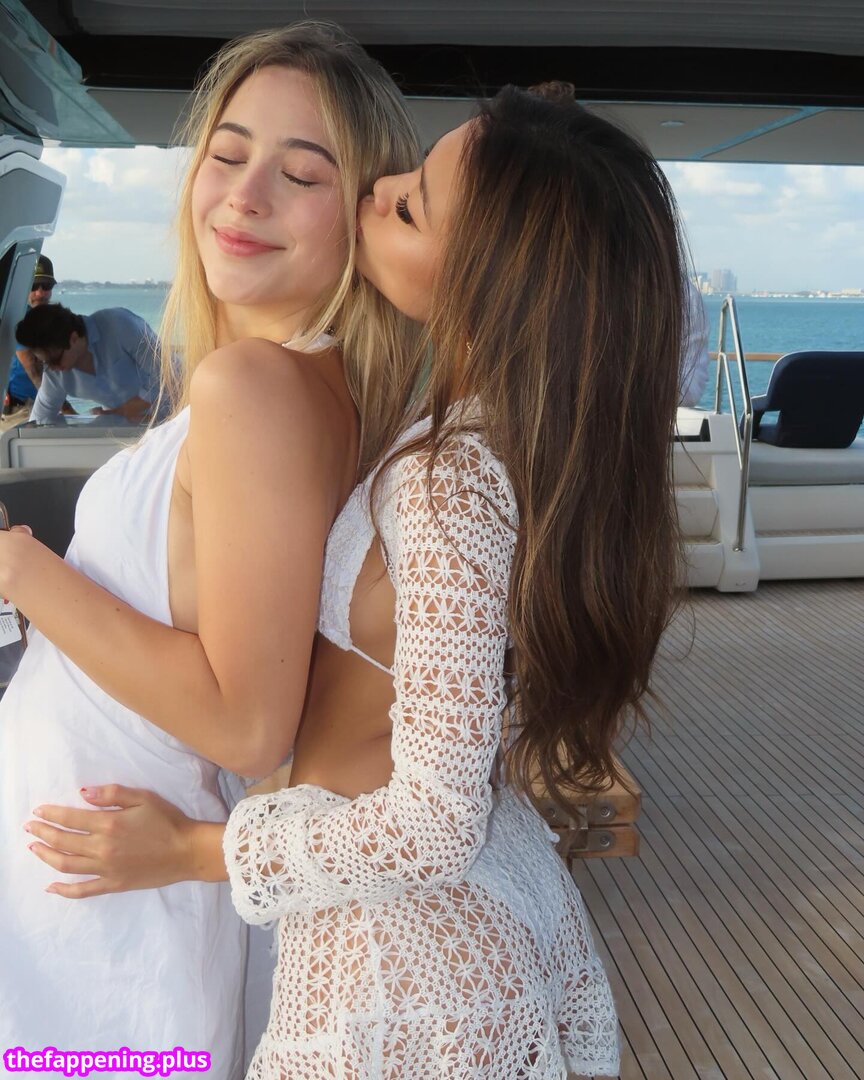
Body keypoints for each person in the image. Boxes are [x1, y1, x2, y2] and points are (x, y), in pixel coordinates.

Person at [28, 83, 686, 1077]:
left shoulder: (451, 479)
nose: (379, 190)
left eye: (409, 205)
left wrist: (195, 851)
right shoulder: (471, 444)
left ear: (489, 285)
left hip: (399, 968)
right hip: (418, 941)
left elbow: (434, 819)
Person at [0, 22, 418, 1072]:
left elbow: (247, 723)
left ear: (363, 215)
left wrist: (20, 568)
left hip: (102, 898)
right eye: (227, 155)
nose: (245, 195)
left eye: (302, 174)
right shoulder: (306, 384)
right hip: (99, 881)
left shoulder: (255, 387)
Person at [15, 303, 163, 424]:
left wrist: (138, 403)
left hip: (170, 417)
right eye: (45, 363)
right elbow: (40, 418)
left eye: (54, 360)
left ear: (74, 338)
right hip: (124, 431)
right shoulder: (54, 371)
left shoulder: (119, 325)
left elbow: (169, 371)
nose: (52, 368)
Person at [4, 254, 56, 413]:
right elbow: (32, 368)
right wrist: (63, 408)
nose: (40, 293)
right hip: (20, 409)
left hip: (40, 403)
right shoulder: (19, 318)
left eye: (46, 286)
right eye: (33, 286)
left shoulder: (51, 320)